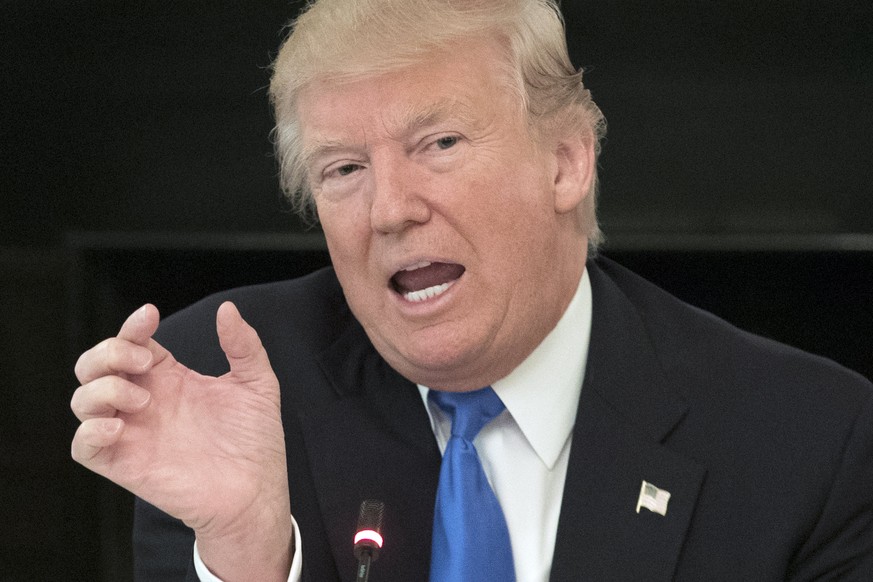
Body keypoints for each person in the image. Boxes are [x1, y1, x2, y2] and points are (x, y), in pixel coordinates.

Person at [70, 0, 873, 580]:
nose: (388, 210)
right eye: (344, 169)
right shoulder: (223, 382)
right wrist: (248, 555)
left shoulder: (808, 441)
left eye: (440, 143)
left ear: (565, 161)